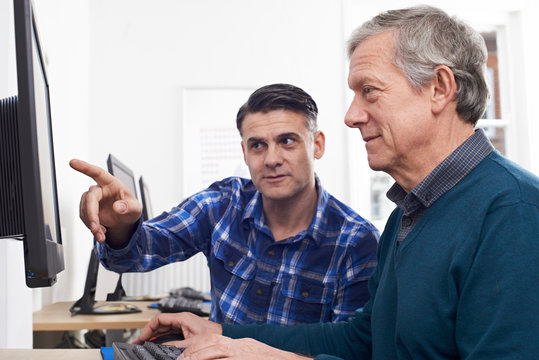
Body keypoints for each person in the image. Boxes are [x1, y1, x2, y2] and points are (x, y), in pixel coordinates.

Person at [132, 5, 539, 360]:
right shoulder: (408, 216)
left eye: (369, 92)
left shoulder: (513, 212)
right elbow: (363, 340)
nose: (351, 115)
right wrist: (222, 333)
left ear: (439, 89)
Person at [70, 83, 379, 326]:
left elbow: (348, 348)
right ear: (244, 153)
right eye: (257, 145)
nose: (271, 159)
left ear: (318, 145)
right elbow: (133, 256)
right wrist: (120, 227)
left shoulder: (356, 242)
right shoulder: (222, 205)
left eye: (287, 141)